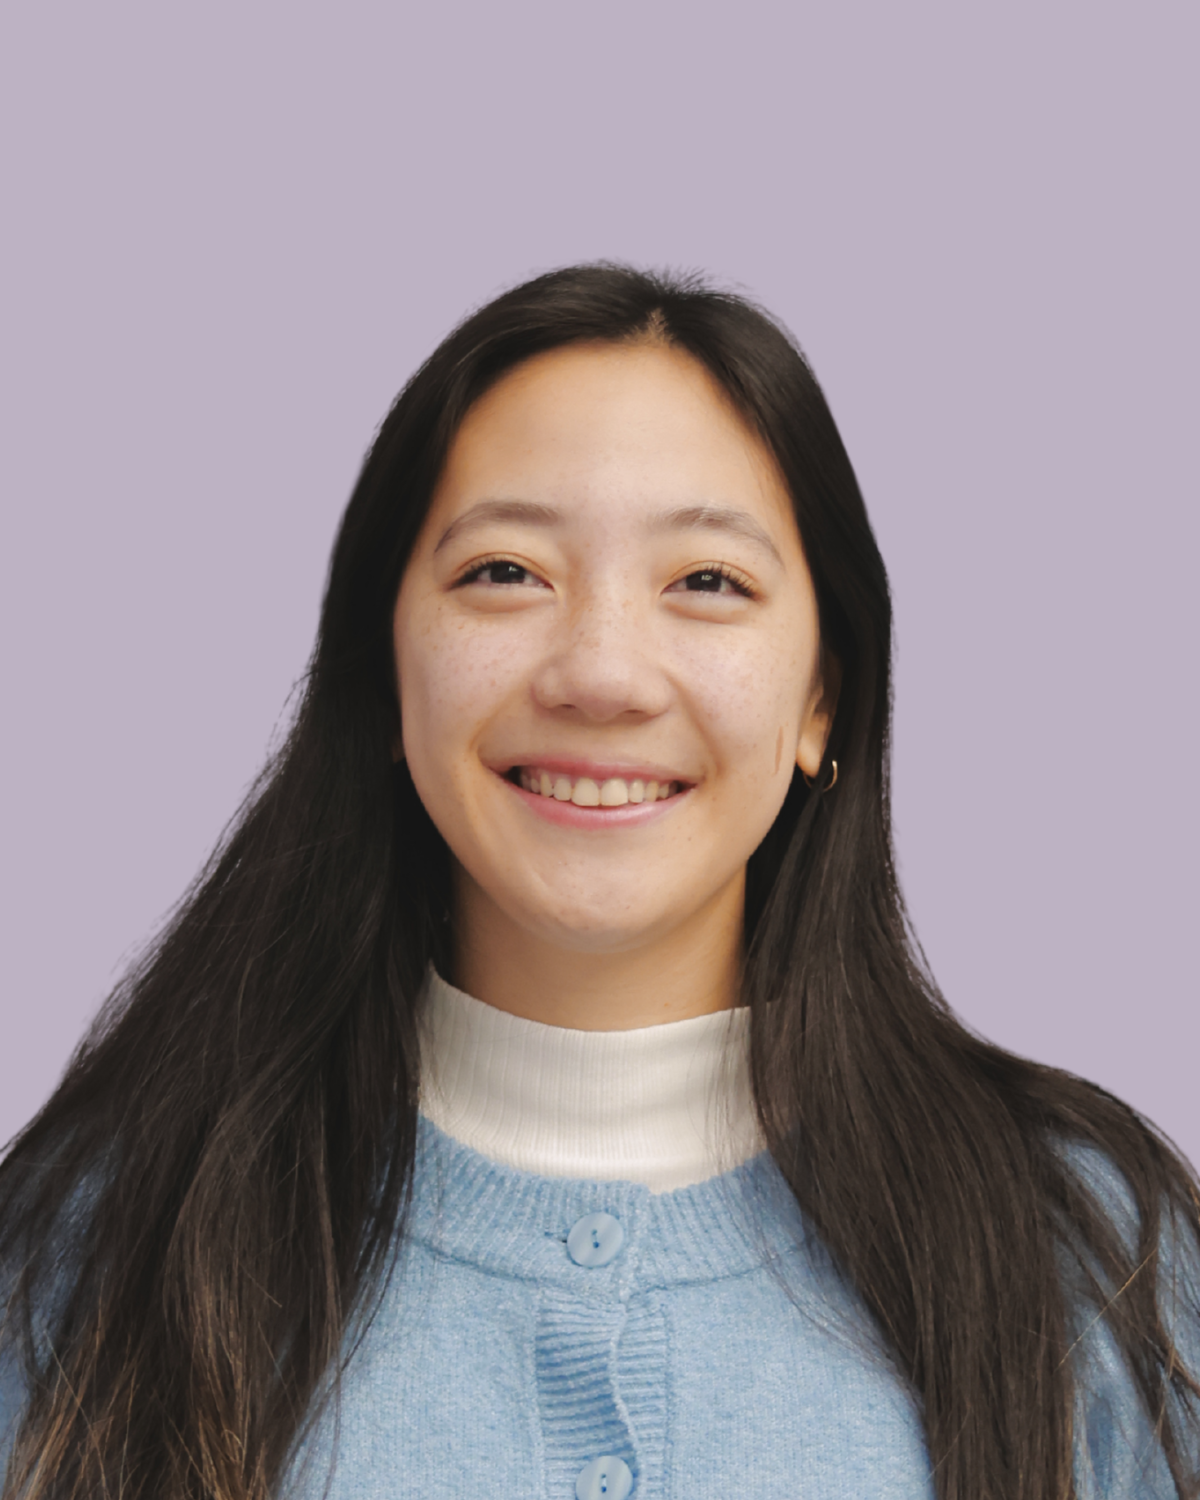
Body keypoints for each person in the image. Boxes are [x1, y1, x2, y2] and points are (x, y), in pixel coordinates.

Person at [1, 264, 1197, 1500]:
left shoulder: (1084, 1251)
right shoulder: (100, 1248)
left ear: (821, 696)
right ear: (386, 667)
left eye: (707, 583)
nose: (603, 674)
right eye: (506, 572)